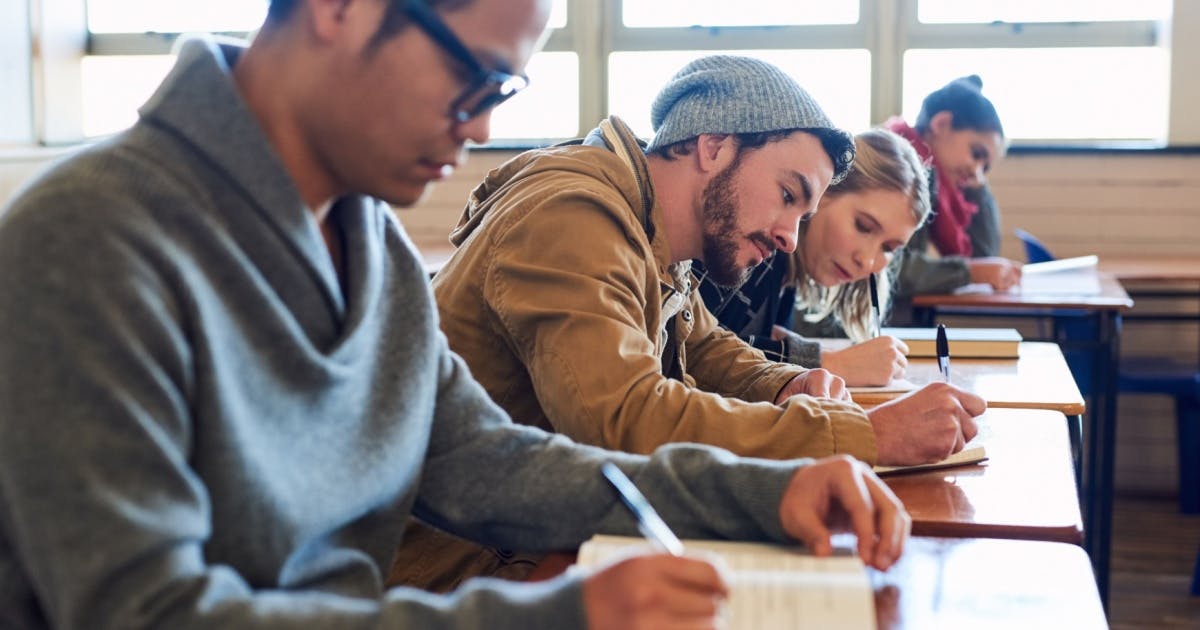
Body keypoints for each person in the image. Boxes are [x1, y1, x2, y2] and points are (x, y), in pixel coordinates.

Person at [0, 1, 912, 628]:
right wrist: (556, 617)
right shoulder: (92, 237)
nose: (477, 128)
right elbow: (144, 614)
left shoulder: (371, 245)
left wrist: (763, 493)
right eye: (470, 77)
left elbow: (484, 461)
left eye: (499, 93)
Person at [402, 55, 983, 589]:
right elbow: (625, 416)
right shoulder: (572, 214)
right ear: (714, 146)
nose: (789, 237)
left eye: (805, 213)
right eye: (787, 194)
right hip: (464, 569)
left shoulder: (656, 234)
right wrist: (867, 436)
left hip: (540, 538)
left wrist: (789, 383)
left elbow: (707, 348)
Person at [697, 128, 930, 387]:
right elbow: (691, 351)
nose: (867, 262)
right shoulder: (756, 247)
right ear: (823, 191)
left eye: (888, 248)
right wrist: (833, 364)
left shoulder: (786, 278)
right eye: (863, 226)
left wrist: (795, 349)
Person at [884, 75, 1023, 305]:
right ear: (941, 124)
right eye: (977, 154)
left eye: (985, 167)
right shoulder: (899, 167)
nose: (977, 171)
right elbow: (891, 269)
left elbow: (983, 258)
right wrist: (969, 272)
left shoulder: (940, 186)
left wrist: (978, 188)